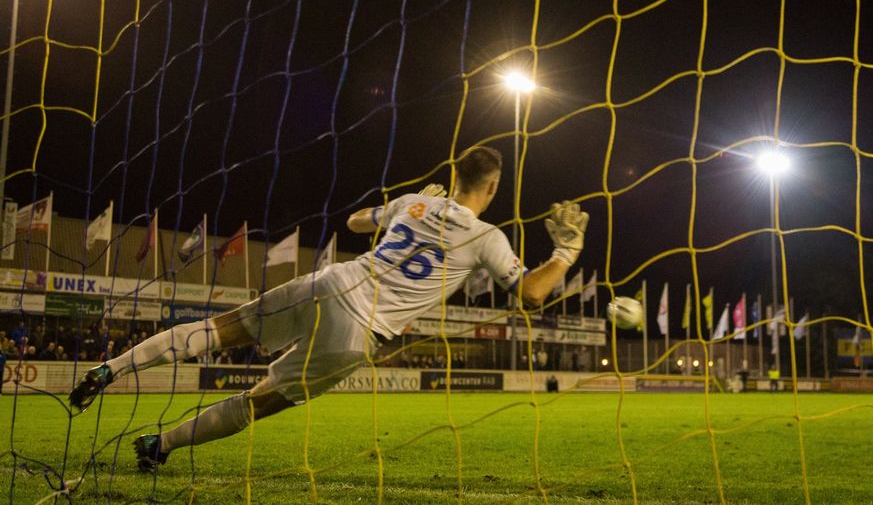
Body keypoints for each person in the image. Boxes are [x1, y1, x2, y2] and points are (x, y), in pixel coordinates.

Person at [68, 146, 588, 471]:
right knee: (257, 402)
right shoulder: (487, 235)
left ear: (453, 175)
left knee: (215, 329)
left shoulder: (414, 202)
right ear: (493, 187)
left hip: (333, 281)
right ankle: (162, 444)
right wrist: (566, 252)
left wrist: (404, 211)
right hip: (358, 333)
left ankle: (109, 368)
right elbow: (531, 293)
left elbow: (358, 223)